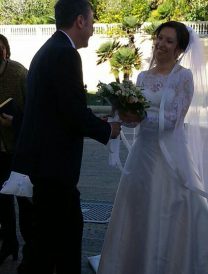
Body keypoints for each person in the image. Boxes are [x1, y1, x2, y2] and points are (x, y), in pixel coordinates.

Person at [97, 21, 208, 274]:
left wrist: (141, 117)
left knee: (172, 208)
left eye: (169, 41)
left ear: (179, 49)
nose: (162, 45)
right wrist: (123, 116)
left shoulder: (183, 77)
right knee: (138, 209)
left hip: (171, 157)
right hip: (142, 156)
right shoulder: (143, 76)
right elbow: (134, 124)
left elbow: (173, 120)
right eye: (159, 39)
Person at [12, 0, 121, 274]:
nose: (94, 27)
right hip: (54, 169)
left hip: (45, 166)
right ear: (80, 21)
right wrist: (108, 130)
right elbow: (72, 112)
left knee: (47, 243)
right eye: (92, 20)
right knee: (61, 242)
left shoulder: (50, 49)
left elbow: (60, 108)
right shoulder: (65, 54)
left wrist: (97, 122)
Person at [0, 34, 32, 266]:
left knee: (24, 201)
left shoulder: (19, 73)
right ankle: (9, 243)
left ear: (6, 51)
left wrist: (14, 122)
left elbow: (34, 111)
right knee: (2, 202)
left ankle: (30, 253)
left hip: (19, 148)